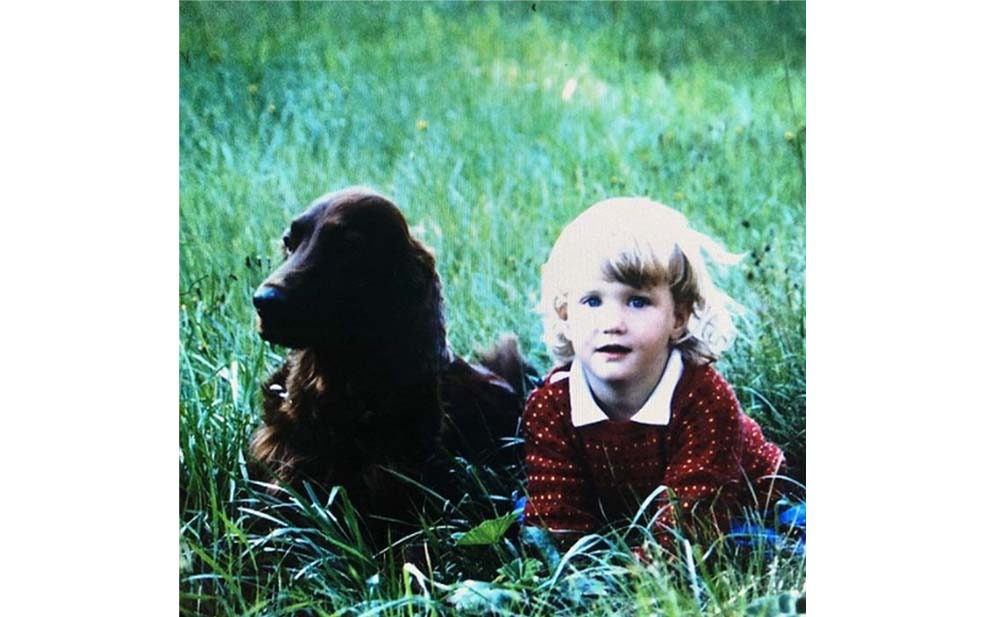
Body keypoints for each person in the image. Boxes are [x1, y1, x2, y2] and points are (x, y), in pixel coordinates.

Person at [522, 197, 787, 552]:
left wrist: (633, 577)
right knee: (527, 517)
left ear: (678, 317)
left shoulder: (703, 399)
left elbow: (691, 526)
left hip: (733, 499)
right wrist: (578, 571)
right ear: (566, 316)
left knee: (757, 542)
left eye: (637, 301)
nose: (612, 324)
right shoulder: (553, 405)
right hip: (620, 506)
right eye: (592, 302)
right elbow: (556, 519)